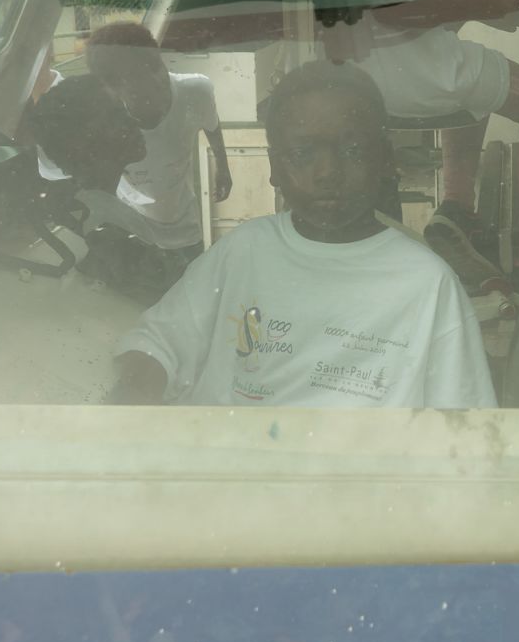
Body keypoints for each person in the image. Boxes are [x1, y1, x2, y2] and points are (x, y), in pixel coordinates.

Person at [109, 60, 498, 408]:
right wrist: (132, 410)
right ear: (275, 167)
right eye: (302, 154)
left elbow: (461, 428)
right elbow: (156, 344)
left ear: (385, 158)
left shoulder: (427, 285)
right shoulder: (243, 253)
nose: (326, 172)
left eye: (352, 150)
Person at [324, 0, 519, 298]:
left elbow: (426, 11)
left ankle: (458, 209)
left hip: (367, 72)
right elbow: (394, 13)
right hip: (408, 67)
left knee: (482, 88)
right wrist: (481, 5)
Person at [27, 74, 195, 301]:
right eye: (119, 117)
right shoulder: (110, 231)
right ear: (90, 142)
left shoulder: (109, 199)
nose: (134, 121)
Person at [85, 23, 232, 254]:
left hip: (184, 224)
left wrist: (223, 168)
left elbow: (211, 126)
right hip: (129, 230)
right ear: (113, 88)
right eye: (137, 75)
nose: (156, 80)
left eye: (155, 66)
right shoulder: (100, 121)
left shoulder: (196, 91)